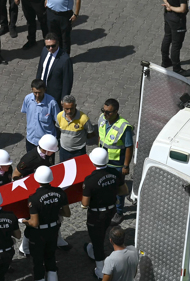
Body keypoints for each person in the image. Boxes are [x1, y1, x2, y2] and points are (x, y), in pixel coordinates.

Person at [82, 147, 127, 279]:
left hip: (96, 214)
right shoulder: (115, 172)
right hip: (111, 210)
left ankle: (101, 270)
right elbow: (123, 191)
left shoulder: (90, 180)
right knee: (100, 233)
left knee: (97, 242)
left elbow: (85, 203)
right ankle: (91, 249)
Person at [24, 165, 70, 281]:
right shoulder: (60, 192)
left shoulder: (34, 198)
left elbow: (34, 223)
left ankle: (40, 278)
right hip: (53, 229)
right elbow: (67, 213)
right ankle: (53, 277)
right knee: (50, 255)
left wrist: (24, 221)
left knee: (38, 259)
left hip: (38, 233)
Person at [98, 98, 133, 223]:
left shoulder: (124, 126)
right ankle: (108, 207)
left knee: (118, 189)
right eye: (104, 111)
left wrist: (126, 166)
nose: (105, 114)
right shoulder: (102, 119)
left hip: (117, 164)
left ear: (116, 111)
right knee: (104, 186)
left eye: (109, 112)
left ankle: (119, 212)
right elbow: (101, 137)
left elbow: (129, 146)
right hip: (103, 162)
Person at [162, 0, 190, 76]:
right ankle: (177, 68)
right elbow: (182, 9)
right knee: (176, 44)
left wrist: (167, 4)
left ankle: (165, 60)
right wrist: (171, 7)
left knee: (167, 37)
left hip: (167, 16)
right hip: (177, 19)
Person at [56, 95, 94, 163]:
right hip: (64, 151)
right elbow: (59, 129)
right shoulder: (59, 116)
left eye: (71, 108)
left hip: (79, 152)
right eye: (66, 109)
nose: (69, 111)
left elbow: (91, 133)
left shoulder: (83, 118)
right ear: (63, 107)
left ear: (75, 106)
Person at [37, 32, 72, 103]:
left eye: (53, 46)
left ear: (58, 43)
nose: (50, 48)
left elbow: (67, 81)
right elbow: (40, 69)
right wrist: (36, 86)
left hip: (55, 96)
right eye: (48, 46)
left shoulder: (65, 59)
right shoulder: (44, 50)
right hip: (41, 91)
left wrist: (64, 98)